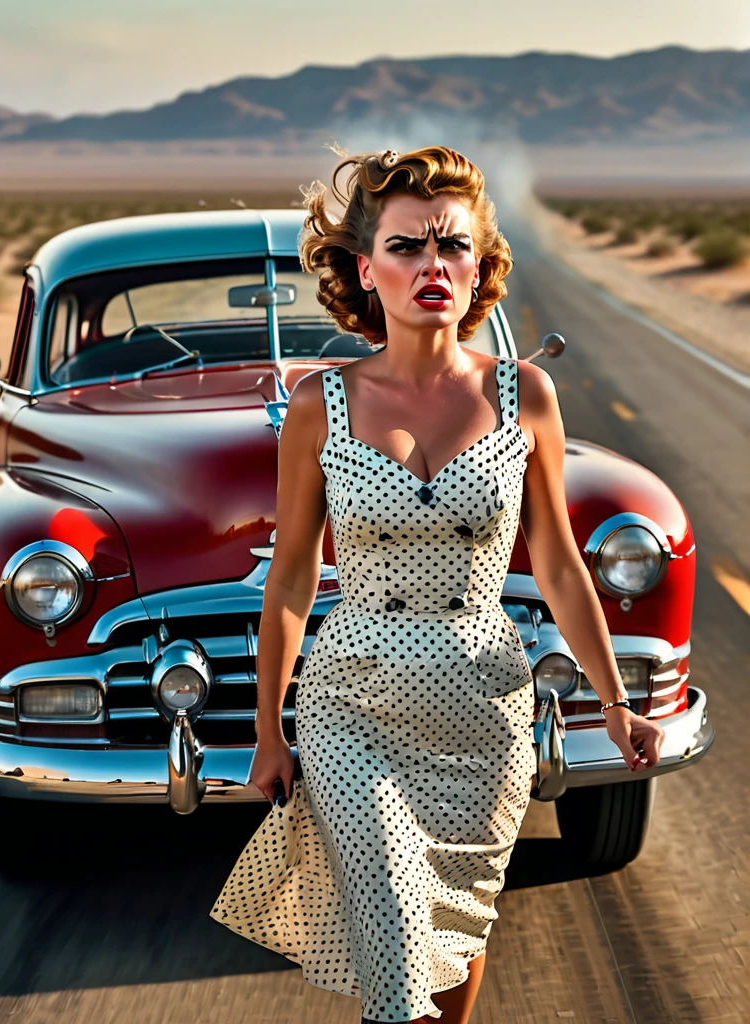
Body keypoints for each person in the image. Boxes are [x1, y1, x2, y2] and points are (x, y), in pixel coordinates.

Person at [210, 145, 664, 1024]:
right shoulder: (318, 403)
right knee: (392, 935)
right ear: (365, 269)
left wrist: (614, 702)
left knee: (453, 935)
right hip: (354, 705)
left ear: (482, 265)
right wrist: (268, 728)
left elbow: (562, 564)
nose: (432, 266)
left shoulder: (525, 394)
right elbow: (294, 578)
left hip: (485, 712)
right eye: (408, 247)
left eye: (452, 246)